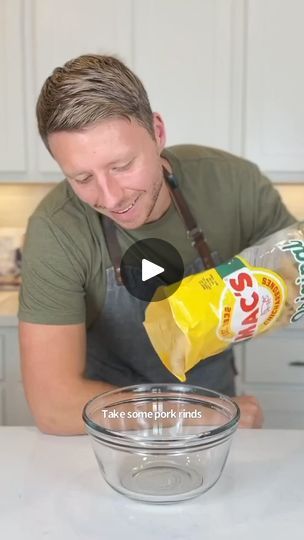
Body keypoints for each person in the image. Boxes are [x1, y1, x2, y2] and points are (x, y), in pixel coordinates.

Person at [18, 54, 295, 435]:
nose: (111, 197)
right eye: (82, 177)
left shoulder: (233, 185)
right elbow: (53, 406)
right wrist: (195, 415)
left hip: (218, 430)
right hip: (109, 432)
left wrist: (259, 295)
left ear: (157, 132)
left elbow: (296, 272)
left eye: (122, 166)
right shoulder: (57, 229)